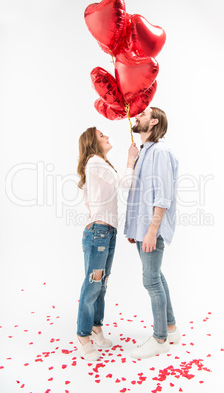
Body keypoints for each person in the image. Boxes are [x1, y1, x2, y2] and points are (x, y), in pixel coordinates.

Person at [75, 127, 138, 361]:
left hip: (107, 231)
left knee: (101, 284)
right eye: (102, 135)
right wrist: (131, 159)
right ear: (92, 142)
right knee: (93, 284)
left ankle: (96, 328)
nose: (107, 137)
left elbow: (88, 197)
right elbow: (124, 185)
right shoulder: (94, 161)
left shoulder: (99, 164)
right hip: (99, 232)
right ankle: (83, 336)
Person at [124, 107, 181, 359]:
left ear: (154, 122)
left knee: (150, 280)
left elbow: (163, 195)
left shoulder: (160, 151)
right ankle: (171, 328)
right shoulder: (145, 151)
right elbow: (139, 193)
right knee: (156, 275)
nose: (136, 116)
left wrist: (151, 231)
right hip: (143, 228)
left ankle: (160, 339)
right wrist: (135, 228)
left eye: (143, 115)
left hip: (151, 229)